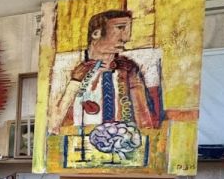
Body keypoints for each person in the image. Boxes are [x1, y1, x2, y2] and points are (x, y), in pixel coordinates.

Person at [49, 10, 162, 138]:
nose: (126, 37)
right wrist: (75, 82)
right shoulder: (66, 66)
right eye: (120, 28)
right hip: (75, 141)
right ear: (96, 33)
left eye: (128, 29)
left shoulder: (129, 69)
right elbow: (53, 124)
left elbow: (144, 118)